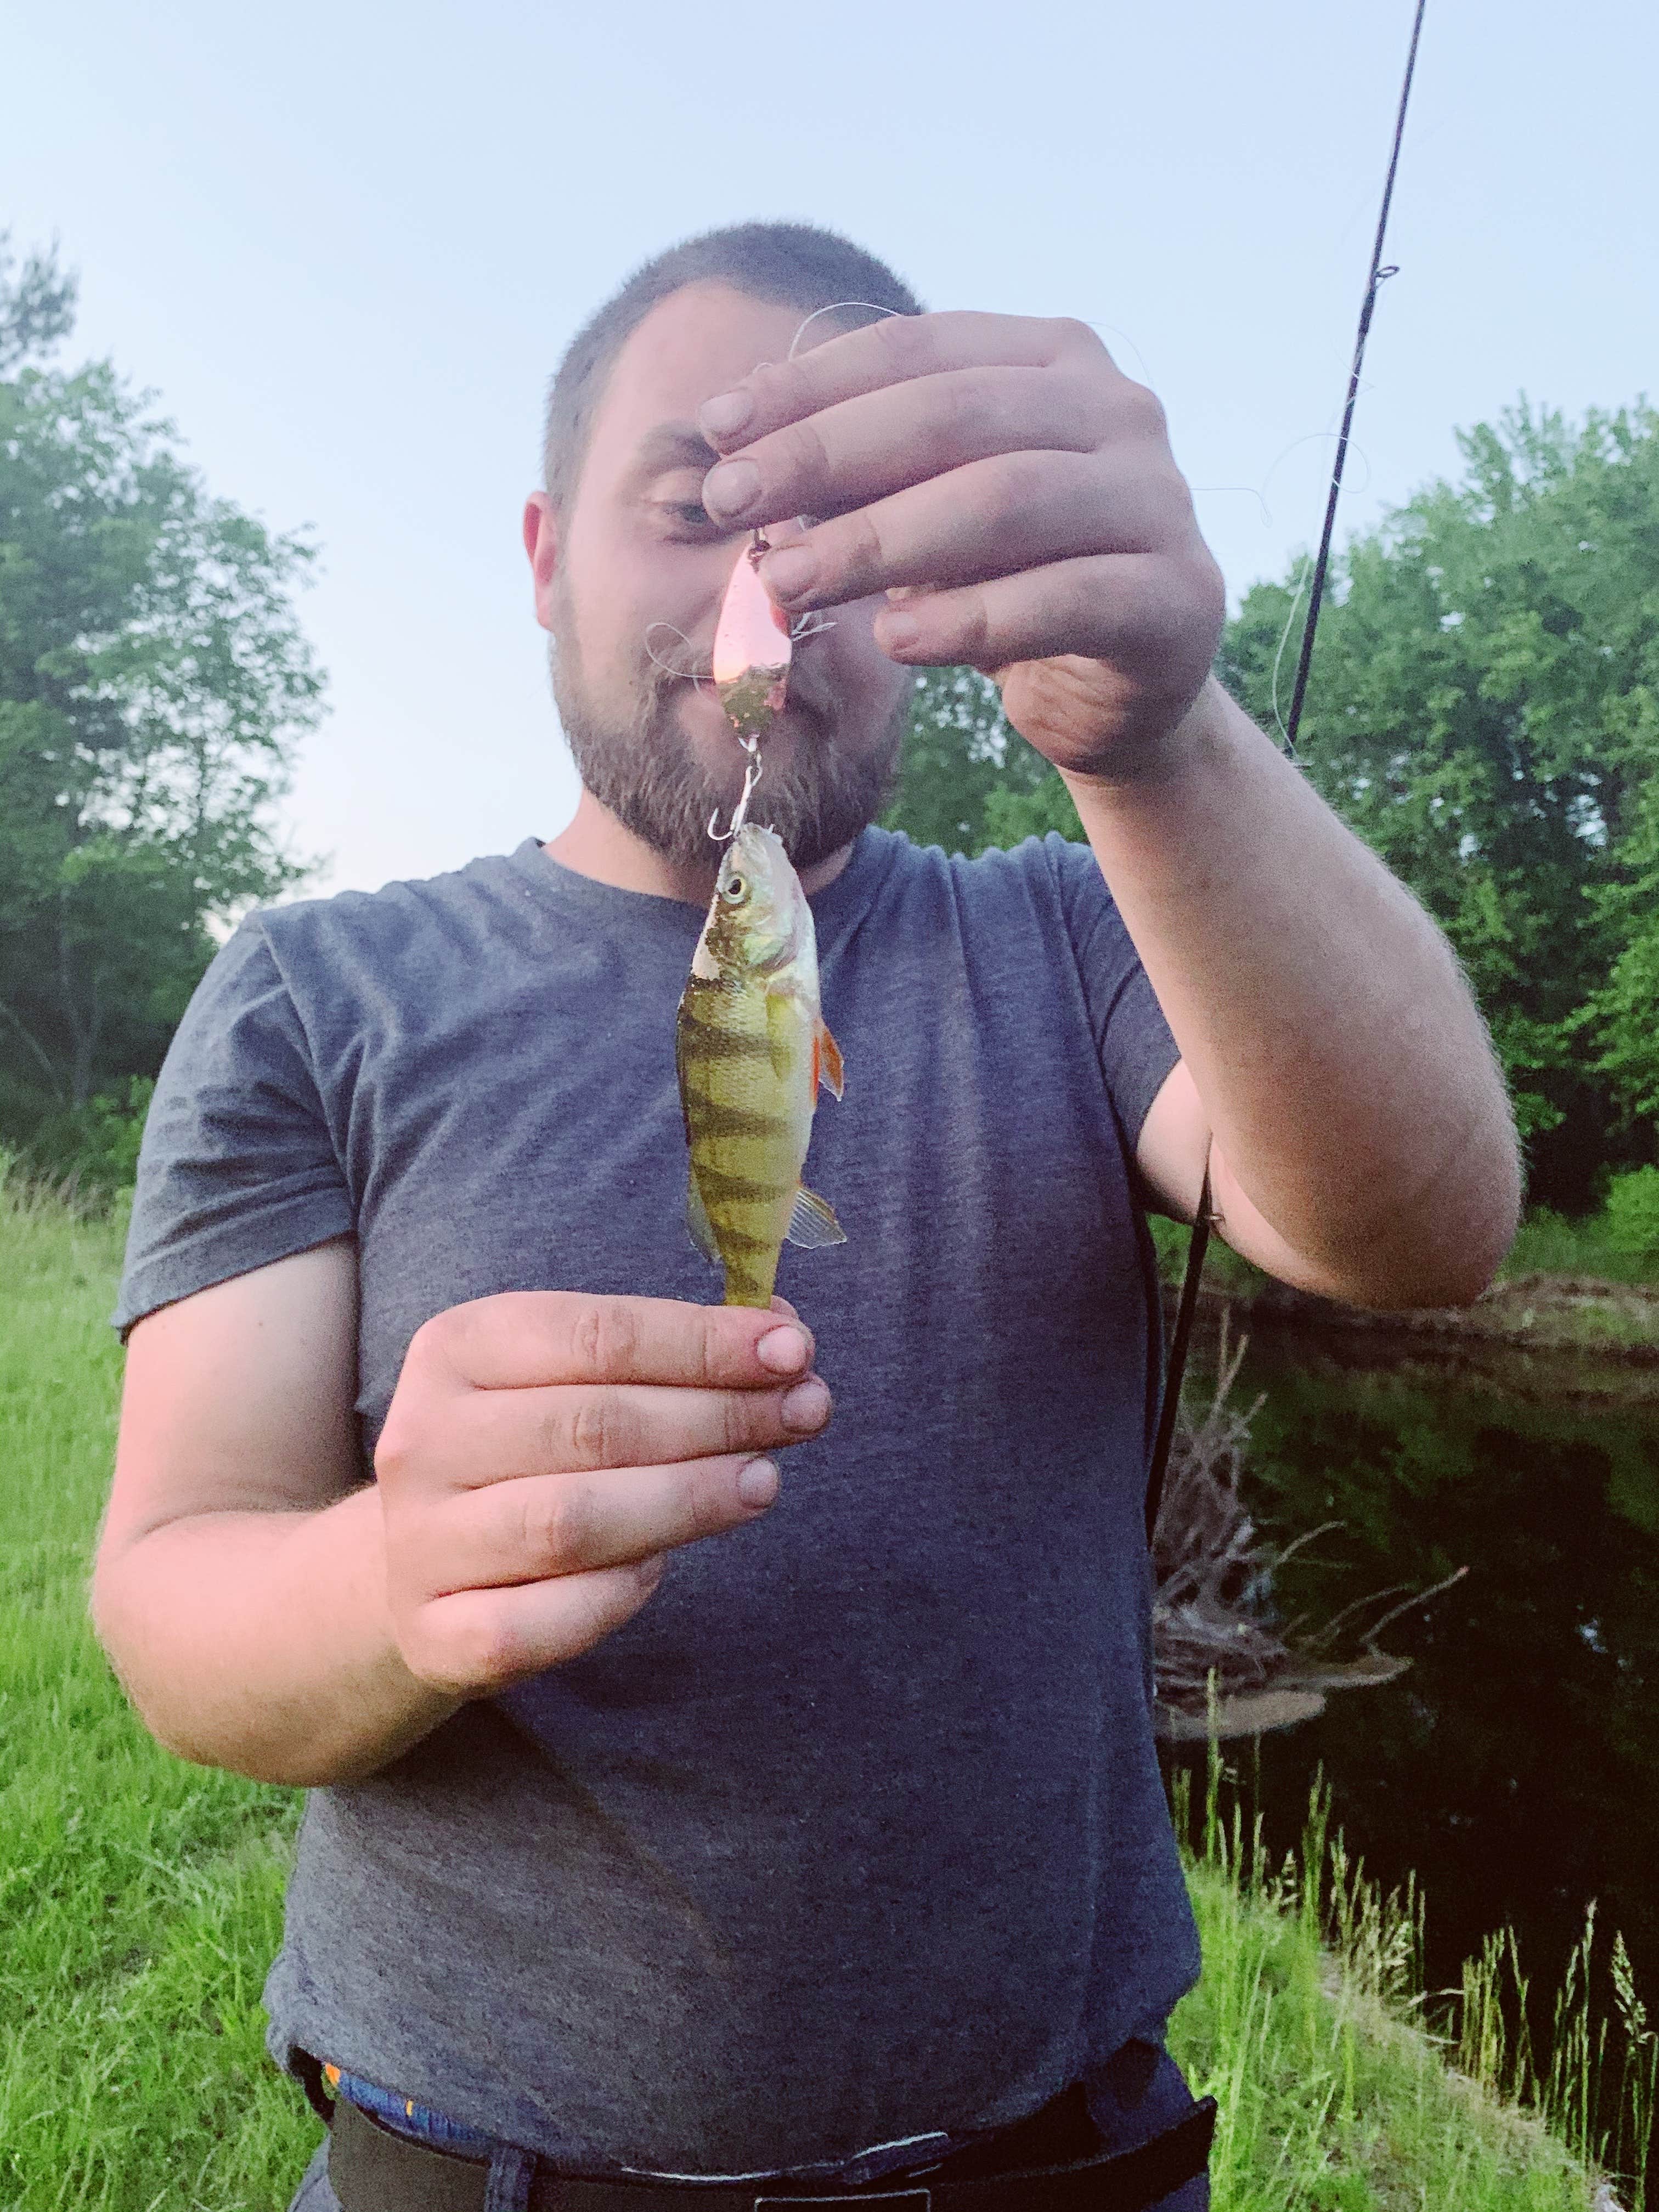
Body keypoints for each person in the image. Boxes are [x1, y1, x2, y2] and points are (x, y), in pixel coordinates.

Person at [91, 223, 1520, 2212]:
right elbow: (175, 1608)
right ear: (541, 557)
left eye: (862, 531)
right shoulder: (320, 994)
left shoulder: (1087, 929)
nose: (779, 592)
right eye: (695, 508)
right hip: (478, 2169)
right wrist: (399, 1586)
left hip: (1060, 2163)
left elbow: (1423, 1228)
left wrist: (1164, 739)